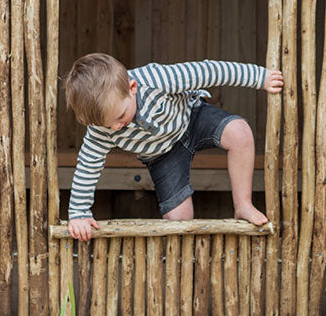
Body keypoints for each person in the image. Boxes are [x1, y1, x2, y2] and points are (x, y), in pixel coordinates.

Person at [64, 53, 284, 241]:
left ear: (132, 87)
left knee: (239, 132)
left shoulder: (157, 79)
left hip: (191, 119)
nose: (115, 127)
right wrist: (79, 213)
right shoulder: (101, 129)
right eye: (107, 124)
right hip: (162, 155)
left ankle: (243, 204)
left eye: (120, 116)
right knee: (178, 220)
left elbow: (210, 71)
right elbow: (87, 166)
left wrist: (259, 78)